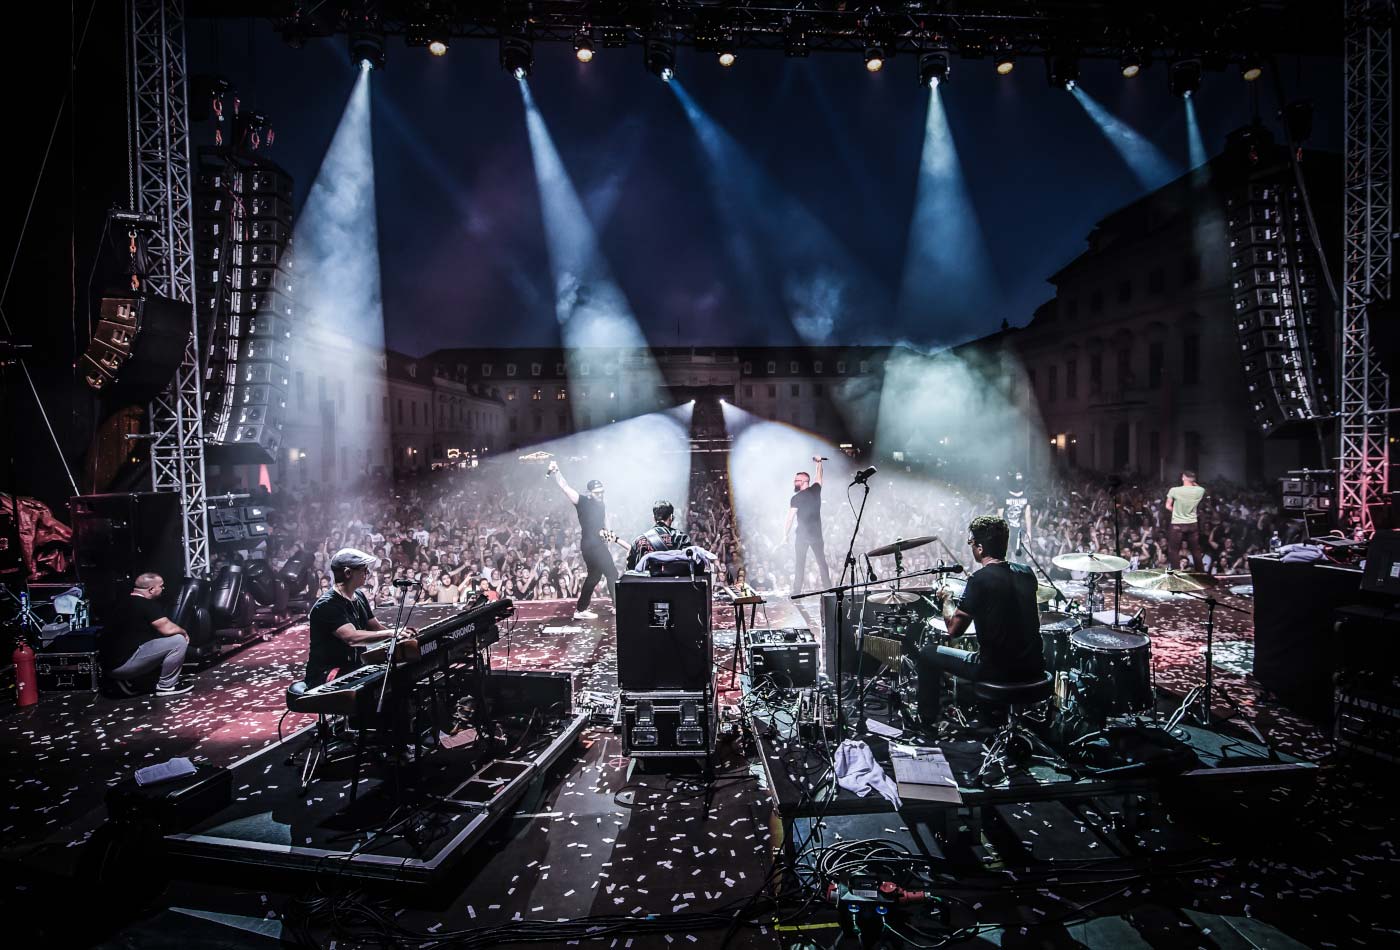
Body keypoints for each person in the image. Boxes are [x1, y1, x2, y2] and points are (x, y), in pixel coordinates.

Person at [913, 516, 1044, 726]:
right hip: (1035, 667)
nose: (971, 547)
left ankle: (926, 722)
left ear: (980, 548)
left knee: (928, 652)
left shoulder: (979, 580)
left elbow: (954, 630)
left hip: (997, 671)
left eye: (971, 542)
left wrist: (947, 599)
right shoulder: (1027, 574)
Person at [304, 548, 416, 688]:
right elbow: (352, 637)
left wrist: (400, 637)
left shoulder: (359, 596)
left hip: (354, 666)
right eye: (364, 569)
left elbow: (375, 628)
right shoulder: (327, 605)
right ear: (348, 573)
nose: (367, 573)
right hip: (327, 673)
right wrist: (391, 633)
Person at [102, 573, 193, 697]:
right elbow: (167, 628)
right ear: (151, 589)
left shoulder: (121, 601)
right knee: (178, 640)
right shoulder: (145, 604)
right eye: (161, 586)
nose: (163, 589)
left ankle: (127, 681)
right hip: (123, 666)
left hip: (109, 667)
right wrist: (184, 632)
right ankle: (167, 686)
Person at [548, 460, 618, 619]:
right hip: (591, 544)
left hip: (597, 543)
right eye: (597, 492)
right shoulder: (583, 501)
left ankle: (580, 610)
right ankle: (617, 606)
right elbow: (565, 487)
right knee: (612, 572)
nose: (600, 494)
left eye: (602, 491)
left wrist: (608, 532)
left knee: (594, 576)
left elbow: (604, 519)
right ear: (589, 492)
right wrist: (556, 471)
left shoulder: (602, 504)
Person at [783, 456, 830, 591]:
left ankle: (797, 592)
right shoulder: (816, 490)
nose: (794, 482)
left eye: (797, 480)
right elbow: (819, 476)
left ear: (804, 481)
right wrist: (819, 463)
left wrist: (785, 535)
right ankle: (829, 589)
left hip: (805, 536)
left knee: (801, 565)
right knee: (821, 563)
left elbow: (790, 518)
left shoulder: (796, 498)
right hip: (813, 535)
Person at [626, 500, 695, 571]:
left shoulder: (638, 541)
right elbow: (691, 566)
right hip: (674, 582)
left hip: (645, 581)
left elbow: (630, 572)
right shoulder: (681, 538)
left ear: (653, 518)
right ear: (671, 517)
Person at [1165, 470, 1206, 571]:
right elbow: (1197, 486)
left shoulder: (1174, 490)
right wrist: (1193, 482)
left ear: (1183, 477)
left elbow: (1167, 506)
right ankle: (1200, 573)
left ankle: (1176, 573)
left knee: (1173, 550)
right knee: (1195, 550)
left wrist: (1177, 511)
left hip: (1177, 524)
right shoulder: (1200, 490)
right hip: (1192, 523)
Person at [999, 472, 1033, 562]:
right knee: (1003, 555)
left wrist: (1029, 532)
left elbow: (1027, 515)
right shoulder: (1004, 495)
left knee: (1020, 556)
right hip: (1006, 530)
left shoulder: (1026, 495)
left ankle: (1020, 574)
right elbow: (999, 516)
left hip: (1018, 530)